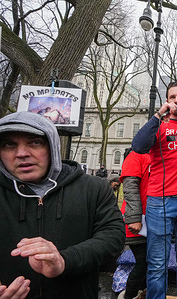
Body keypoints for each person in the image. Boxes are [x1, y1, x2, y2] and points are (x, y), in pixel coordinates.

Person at [0, 111, 125, 298]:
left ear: (52, 146)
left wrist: (65, 261)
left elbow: (113, 237)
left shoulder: (93, 188)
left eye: (35, 142)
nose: (22, 154)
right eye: (10, 144)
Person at [132, 81, 177, 299]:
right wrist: (158, 115)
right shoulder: (159, 127)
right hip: (160, 202)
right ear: (167, 101)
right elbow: (138, 146)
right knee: (157, 264)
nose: (176, 100)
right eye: (172, 97)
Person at [118, 150, 151, 299]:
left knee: (149, 261)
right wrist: (134, 218)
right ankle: (130, 295)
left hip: (150, 217)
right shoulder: (136, 156)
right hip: (137, 218)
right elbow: (130, 189)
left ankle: (141, 292)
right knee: (144, 261)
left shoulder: (155, 154)